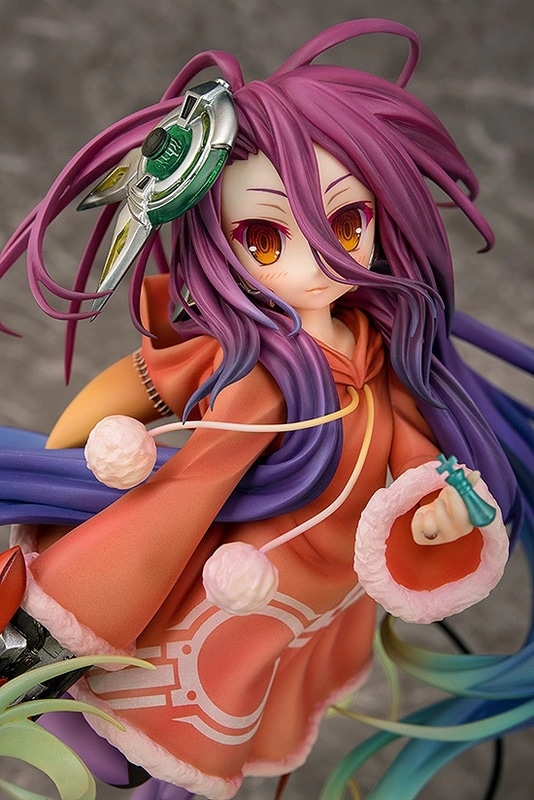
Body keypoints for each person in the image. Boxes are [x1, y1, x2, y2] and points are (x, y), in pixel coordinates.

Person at [0, 18, 532, 800]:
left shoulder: (383, 355)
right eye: (266, 238)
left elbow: (420, 455)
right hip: (211, 569)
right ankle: (65, 699)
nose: (318, 261)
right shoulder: (237, 353)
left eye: (346, 223)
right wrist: (70, 458)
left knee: (217, 715)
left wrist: (440, 508)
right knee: (139, 692)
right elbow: (131, 387)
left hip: (300, 594)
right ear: (222, 244)